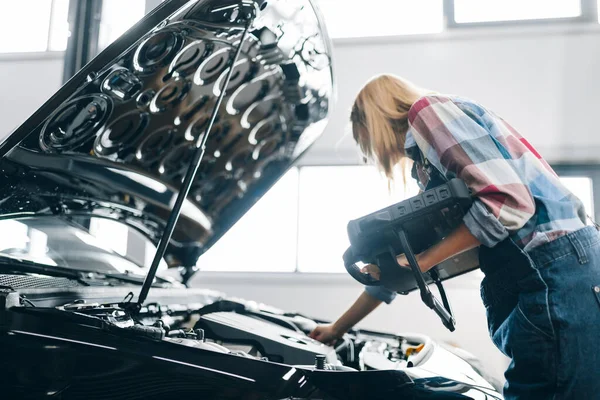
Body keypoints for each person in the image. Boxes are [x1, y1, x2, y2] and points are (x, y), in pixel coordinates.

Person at [308, 74, 600, 399]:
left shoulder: (426, 112)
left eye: (367, 142)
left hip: (551, 267)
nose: (374, 153)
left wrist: (420, 260)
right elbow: (407, 269)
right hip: (562, 268)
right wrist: (339, 328)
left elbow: (507, 204)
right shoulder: (430, 167)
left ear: (373, 121)